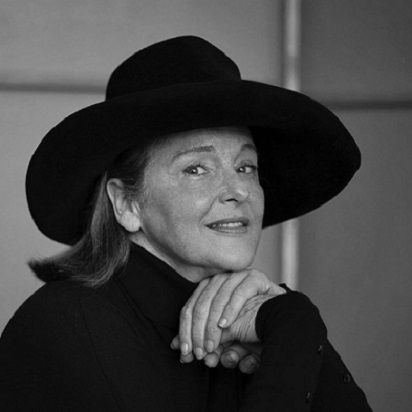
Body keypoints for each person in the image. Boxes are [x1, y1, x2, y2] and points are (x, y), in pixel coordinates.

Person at [0, 36, 372, 411]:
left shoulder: (258, 318)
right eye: (196, 169)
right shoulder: (66, 325)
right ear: (126, 203)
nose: (237, 191)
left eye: (246, 167)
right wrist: (294, 327)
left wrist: (283, 320)